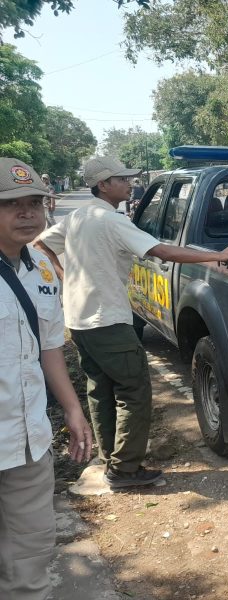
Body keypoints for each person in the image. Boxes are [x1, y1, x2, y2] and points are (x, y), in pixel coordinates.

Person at [34, 156, 228, 490]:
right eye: (122, 179)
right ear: (104, 185)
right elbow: (164, 252)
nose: (130, 184)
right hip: (108, 321)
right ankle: (125, 470)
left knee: (100, 390)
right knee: (133, 391)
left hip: (79, 321)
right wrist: (221, 253)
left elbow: (40, 244)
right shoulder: (111, 220)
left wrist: (66, 277)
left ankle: (110, 460)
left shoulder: (79, 217)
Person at [0, 158, 93, 599]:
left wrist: (74, 410)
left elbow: (50, 345)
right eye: (11, 204)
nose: (27, 213)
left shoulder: (40, 267)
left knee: (31, 555)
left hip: (28, 443)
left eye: (34, 202)